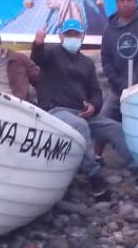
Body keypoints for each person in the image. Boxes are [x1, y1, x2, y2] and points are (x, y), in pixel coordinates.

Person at [31, 18, 124, 199]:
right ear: (61, 36)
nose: (72, 38)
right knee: (80, 126)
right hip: (56, 111)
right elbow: (38, 57)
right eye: (68, 34)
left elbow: (96, 92)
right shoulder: (51, 55)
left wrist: (94, 106)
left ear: (81, 37)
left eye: (75, 34)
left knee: (115, 129)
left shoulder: (87, 63)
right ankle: (94, 178)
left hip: (83, 112)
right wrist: (38, 44)